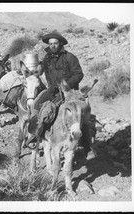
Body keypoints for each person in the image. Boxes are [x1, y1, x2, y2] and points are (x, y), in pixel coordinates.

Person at [27, 32, 96, 160]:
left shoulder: (70, 57)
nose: (52, 45)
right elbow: (40, 71)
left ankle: (88, 148)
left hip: (70, 92)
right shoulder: (46, 58)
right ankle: (36, 137)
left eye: (55, 43)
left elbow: (78, 74)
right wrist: (33, 71)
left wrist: (65, 85)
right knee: (36, 105)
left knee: (81, 116)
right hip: (52, 90)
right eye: (50, 43)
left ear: (61, 44)